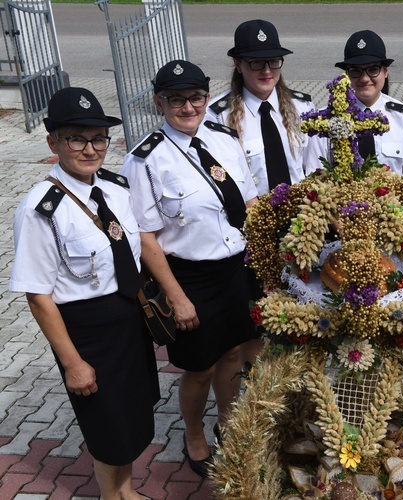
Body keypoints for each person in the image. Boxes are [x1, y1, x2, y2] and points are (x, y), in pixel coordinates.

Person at [10, 87, 159, 499]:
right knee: (107, 426)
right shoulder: (41, 208)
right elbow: (38, 296)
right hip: (88, 334)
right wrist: (72, 362)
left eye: (98, 138)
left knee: (131, 416)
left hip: (128, 321)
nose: (90, 149)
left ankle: (125, 489)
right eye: (77, 138)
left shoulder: (114, 188)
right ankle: (112, 496)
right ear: (52, 142)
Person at [120, 60, 259, 478]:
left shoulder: (224, 138)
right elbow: (145, 237)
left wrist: (266, 261)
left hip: (236, 267)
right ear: (159, 102)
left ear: (206, 96)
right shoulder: (144, 160)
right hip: (190, 277)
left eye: (195, 97)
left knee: (234, 350)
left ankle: (228, 422)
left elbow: (250, 203)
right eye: (175, 99)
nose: (187, 107)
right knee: (199, 367)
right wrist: (176, 296)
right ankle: (195, 433)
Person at [207, 19, 313, 369]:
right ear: (238, 64)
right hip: (252, 236)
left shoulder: (302, 108)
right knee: (257, 327)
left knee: (305, 317)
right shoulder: (219, 117)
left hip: (302, 233)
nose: (266, 70)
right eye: (256, 63)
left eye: (274, 61)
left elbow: (312, 171)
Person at [305, 29, 403, 180]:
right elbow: (314, 176)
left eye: (373, 69)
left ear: (385, 72)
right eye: (356, 71)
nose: (364, 78)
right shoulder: (325, 121)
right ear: (346, 75)